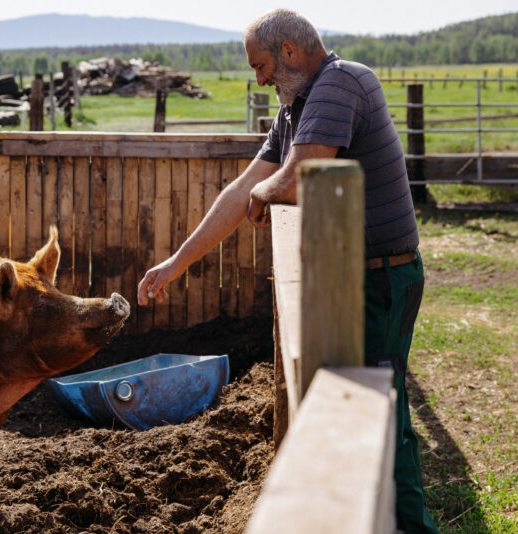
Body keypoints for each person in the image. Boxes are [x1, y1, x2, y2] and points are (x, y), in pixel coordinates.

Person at [136, 8, 438, 533]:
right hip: (358, 276)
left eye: (260, 65)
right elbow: (242, 190)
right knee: (370, 402)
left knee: (382, 410)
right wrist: (177, 261)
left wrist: (266, 192)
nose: (259, 78)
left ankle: (411, 527)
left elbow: (296, 179)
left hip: (380, 278)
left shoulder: (340, 83)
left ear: (290, 52)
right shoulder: (296, 107)